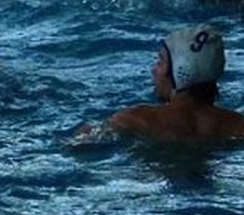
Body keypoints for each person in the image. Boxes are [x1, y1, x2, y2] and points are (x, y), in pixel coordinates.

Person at [82, 26, 244, 142]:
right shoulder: (237, 125)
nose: (154, 70)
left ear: (180, 71)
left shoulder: (137, 119)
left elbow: (81, 144)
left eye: (160, 61)